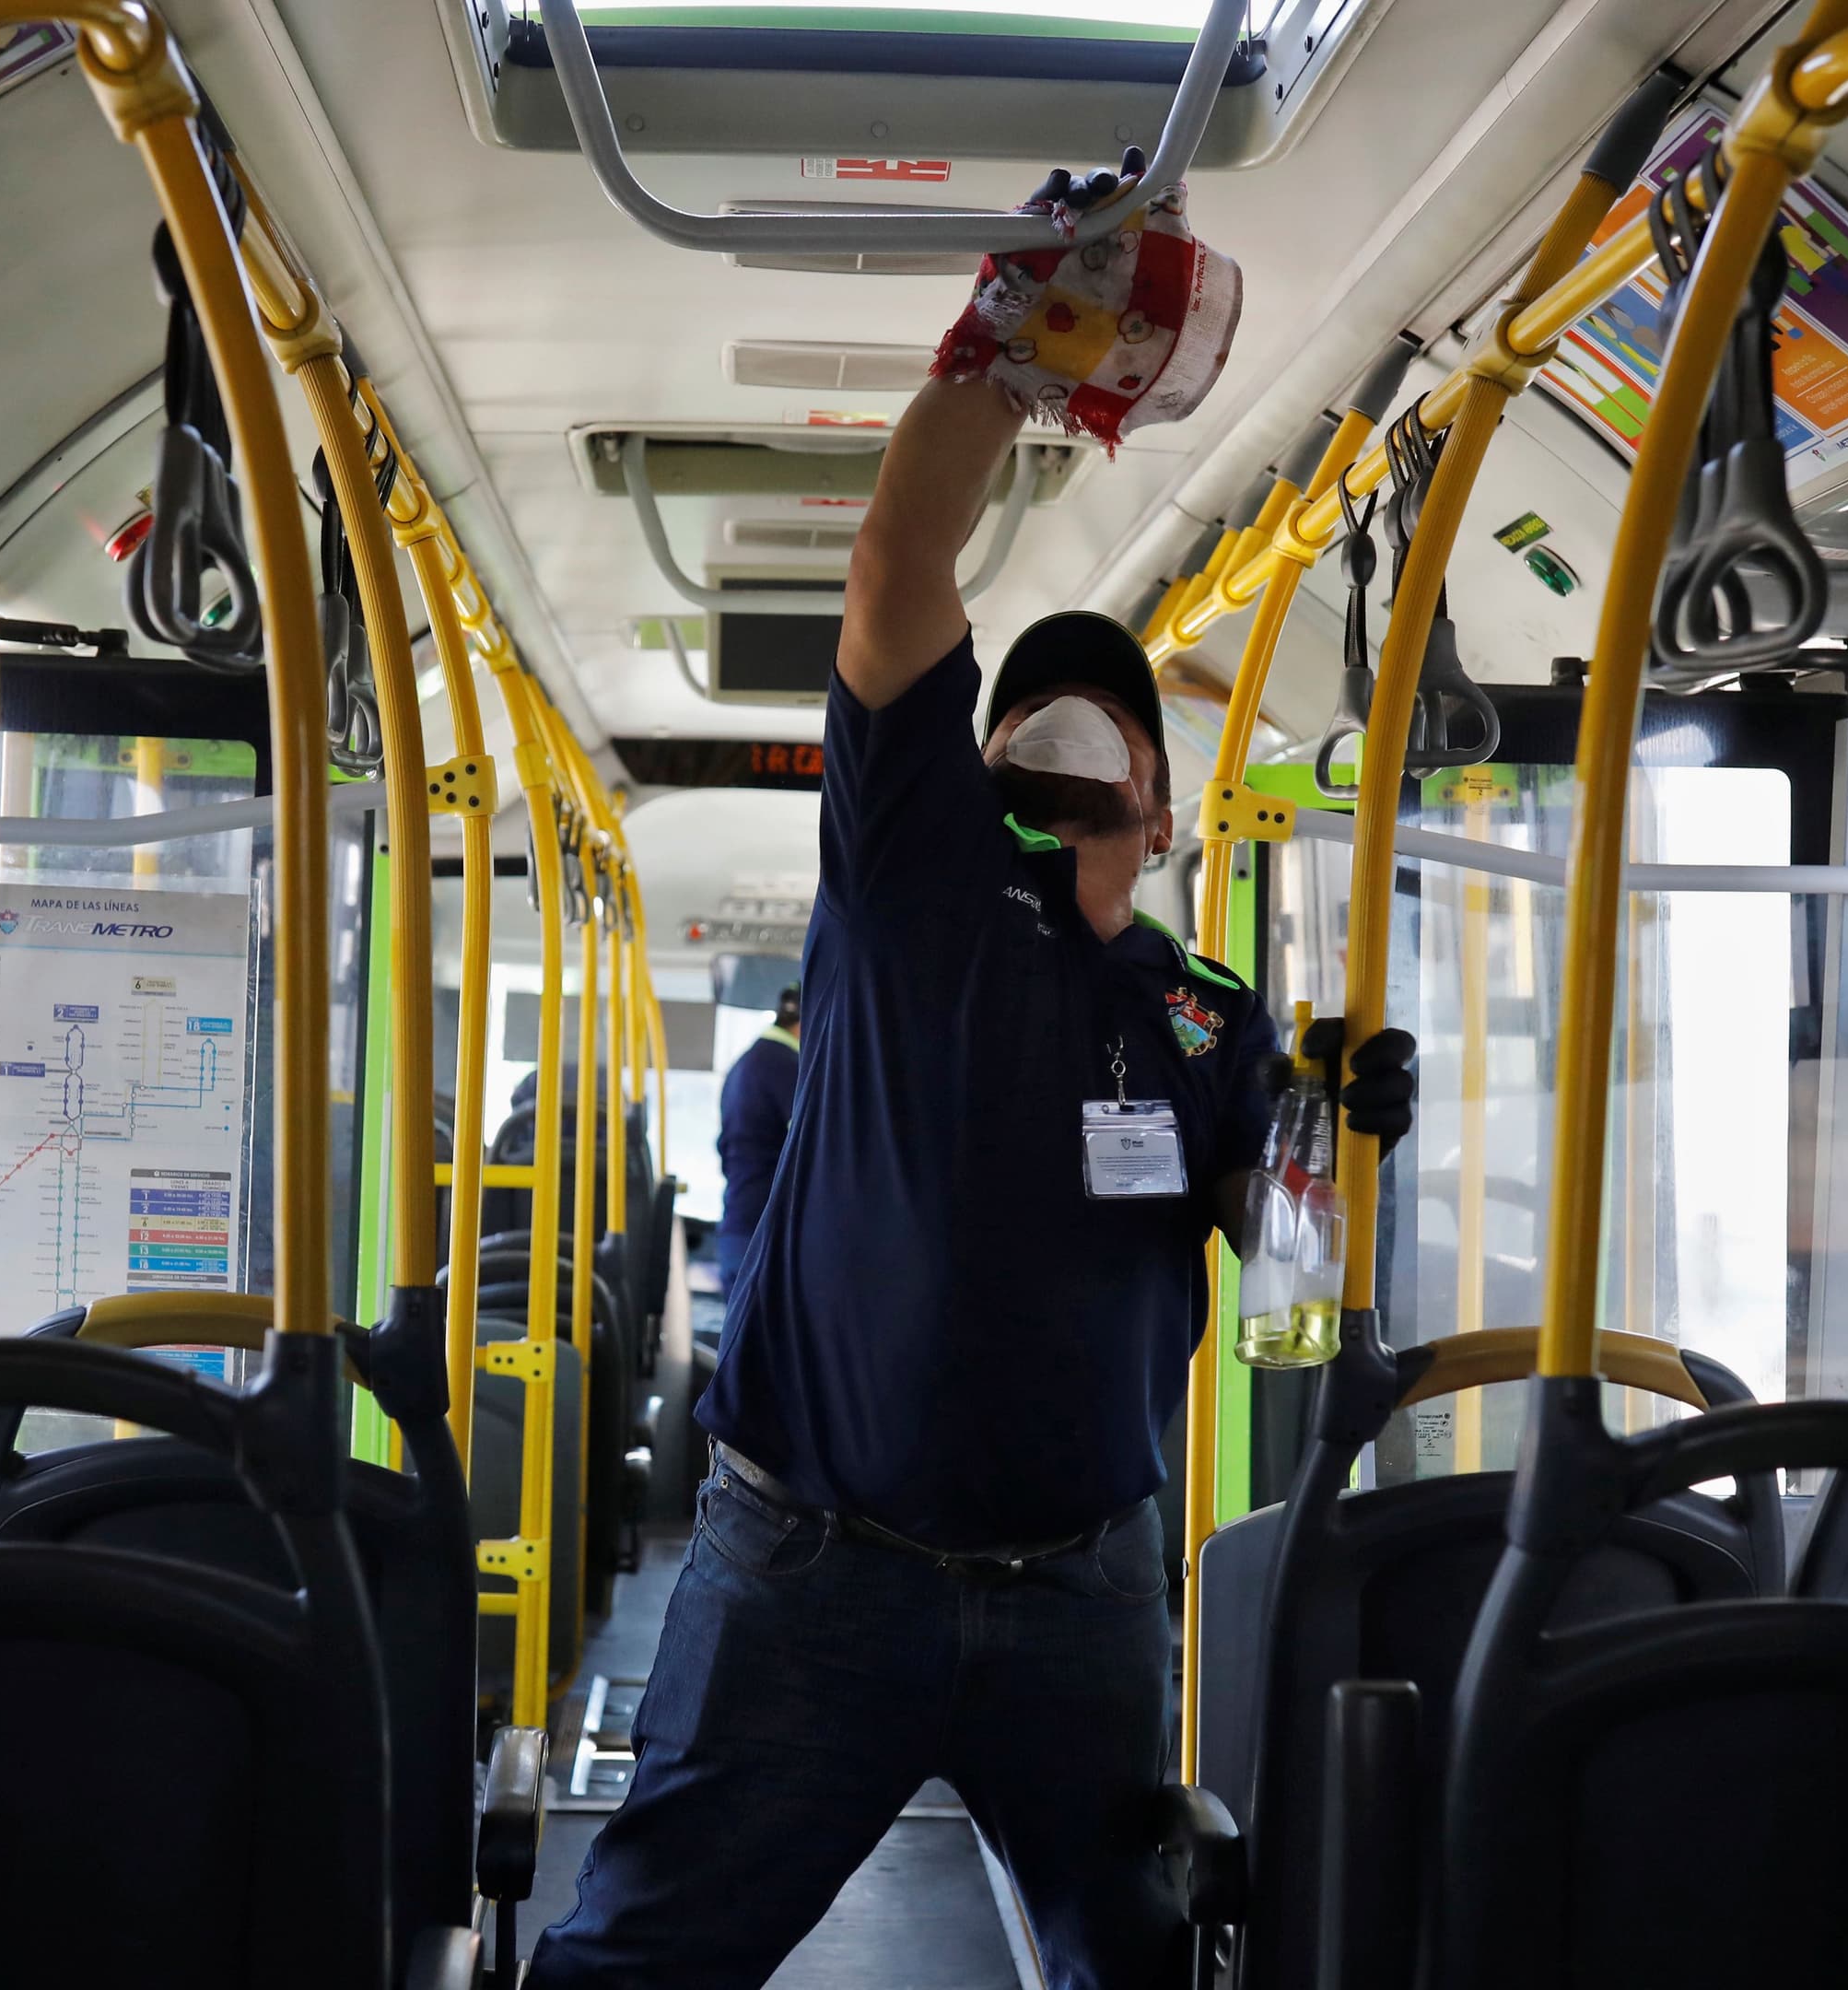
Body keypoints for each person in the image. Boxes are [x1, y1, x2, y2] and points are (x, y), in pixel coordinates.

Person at [529, 156, 1415, 1990]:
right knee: (639, 1964)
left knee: (1133, 1963)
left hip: (1080, 1592)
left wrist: (1335, 1132)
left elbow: (1285, 1253)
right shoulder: (918, 886)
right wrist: (1007, 364)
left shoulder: (1203, 1018)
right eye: (1040, 720)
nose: (1078, 754)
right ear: (984, 759)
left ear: (1168, 822)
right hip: (813, 1576)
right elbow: (896, 563)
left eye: (1119, 740)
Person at [707, 983, 801, 1289]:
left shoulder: (747, 1064)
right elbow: (816, 1152)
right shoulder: (788, 1067)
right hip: (766, 1233)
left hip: (741, 1223)